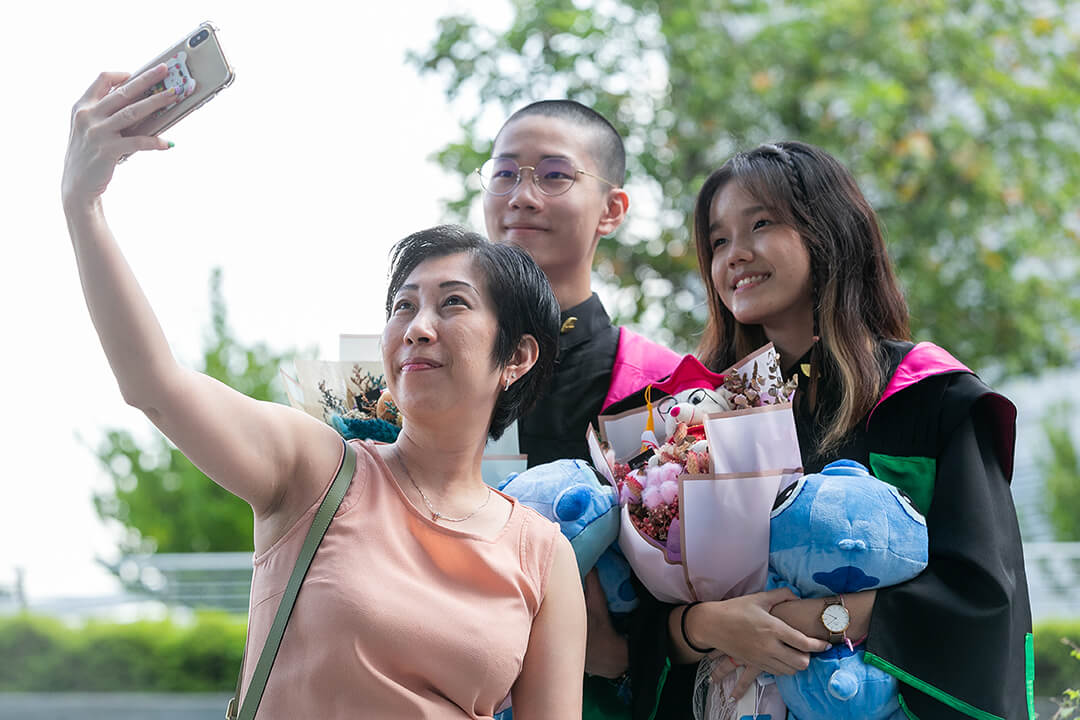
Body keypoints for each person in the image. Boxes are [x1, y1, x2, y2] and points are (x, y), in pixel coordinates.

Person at [62, 65, 586, 720]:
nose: (418, 328)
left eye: (452, 304)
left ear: (516, 356)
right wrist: (84, 206)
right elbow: (154, 385)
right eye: (403, 306)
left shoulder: (542, 554)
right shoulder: (319, 470)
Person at [629, 140, 1030, 719]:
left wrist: (821, 619)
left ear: (829, 231)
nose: (734, 255)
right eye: (718, 241)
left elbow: (984, 595)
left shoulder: (928, 398)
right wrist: (703, 625)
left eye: (760, 224)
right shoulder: (695, 416)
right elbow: (635, 623)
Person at [479, 100, 682, 715]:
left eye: (554, 175)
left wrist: (625, 650)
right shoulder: (440, 365)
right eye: (505, 173)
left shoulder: (662, 387)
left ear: (612, 210)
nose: (522, 195)